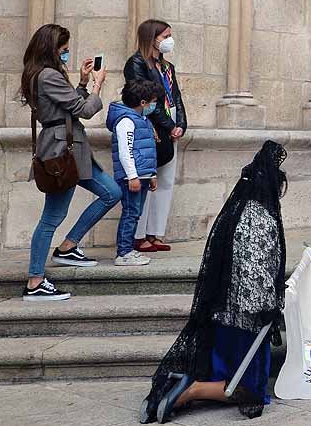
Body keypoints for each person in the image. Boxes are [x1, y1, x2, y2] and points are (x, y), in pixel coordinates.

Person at [141, 141, 288, 423]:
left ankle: (194, 386)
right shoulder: (261, 218)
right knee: (252, 389)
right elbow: (254, 272)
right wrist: (270, 306)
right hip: (245, 319)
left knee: (227, 370)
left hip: (221, 314)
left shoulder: (236, 211)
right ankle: (191, 390)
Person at [20, 24, 121, 301]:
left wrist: (82, 83)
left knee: (111, 192)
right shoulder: (48, 76)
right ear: (51, 49)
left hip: (71, 148)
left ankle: (68, 247)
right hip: (61, 151)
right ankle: (35, 281)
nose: (66, 54)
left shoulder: (43, 74)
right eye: (64, 50)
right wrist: (99, 84)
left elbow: (68, 104)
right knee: (51, 217)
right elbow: (84, 110)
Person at [125, 19, 187, 254]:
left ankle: (154, 233)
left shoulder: (167, 67)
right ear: (152, 38)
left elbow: (176, 97)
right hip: (150, 123)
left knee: (166, 181)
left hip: (170, 123)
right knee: (147, 178)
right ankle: (139, 236)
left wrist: (181, 123)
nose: (169, 40)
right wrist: (169, 125)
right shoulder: (136, 64)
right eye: (165, 36)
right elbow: (144, 96)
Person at [107, 79, 162, 267]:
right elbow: (126, 151)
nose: (154, 105)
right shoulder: (126, 121)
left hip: (142, 176)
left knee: (135, 213)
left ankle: (129, 249)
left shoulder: (142, 120)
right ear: (143, 103)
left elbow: (146, 151)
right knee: (130, 212)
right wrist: (132, 176)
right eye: (153, 101)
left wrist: (151, 175)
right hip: (132, 178)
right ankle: (124, 252)